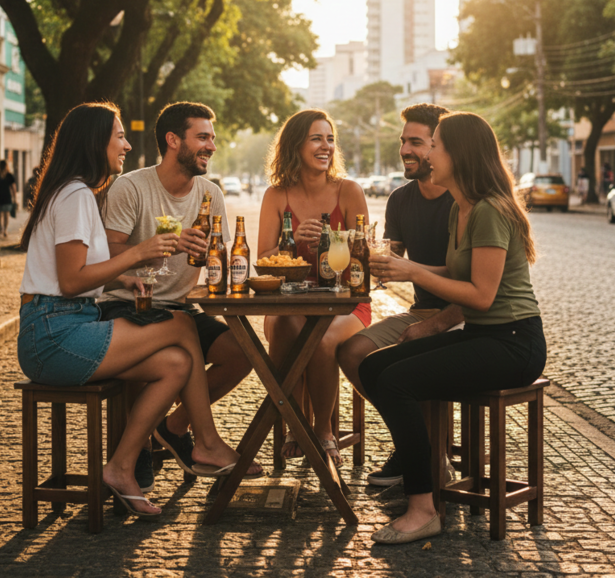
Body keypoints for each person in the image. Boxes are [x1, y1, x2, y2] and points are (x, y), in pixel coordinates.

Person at [18, 101, 251, 520]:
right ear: (95, 142)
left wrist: (124, 274)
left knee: (177, 362)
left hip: (68, 323)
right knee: (180, 325)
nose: (126, 145)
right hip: (53, 334)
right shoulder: (74, 195)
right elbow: (72, 282)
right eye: (119, 136)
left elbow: (79, 272)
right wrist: (141, 253)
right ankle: (207, 443)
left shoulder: (77, 193)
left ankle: (122, 466)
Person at [359, 112, 547, 545]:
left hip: (515, 343)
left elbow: (480, 294)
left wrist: (415, 273)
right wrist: (407, 270)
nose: (429, 155)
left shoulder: (489, 212)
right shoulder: (460, 210)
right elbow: (455, 270)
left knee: (398, 382)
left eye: (437, 146)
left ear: (459, 156)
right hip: (484, 336)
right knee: (372, 369)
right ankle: (423, 464)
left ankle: (423, 507)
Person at [100, 101, 260, 486]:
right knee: (175, 343)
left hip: (181, 309)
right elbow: (105, 253)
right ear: (173, 140)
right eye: (202, 137)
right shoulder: (131, 187)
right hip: (127, 306)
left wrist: (213, 258)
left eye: (212, 138)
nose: (212, 146)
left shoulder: (209, 194)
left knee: (243, 353)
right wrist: (159, 244)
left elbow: (220, 261)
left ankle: (172, 428)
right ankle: (143, 449)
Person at [337, 104, 464, 486]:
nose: (406, 150)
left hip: (464, 314)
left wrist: (410, 270)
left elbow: (473, 280)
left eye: (416, 142)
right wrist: (356, 254)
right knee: (352, 351)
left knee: (406, 363)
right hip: (421, 311)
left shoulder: (462, 200)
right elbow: (391, 258)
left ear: (440, 147)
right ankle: (414, 442)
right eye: (402, 141)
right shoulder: (400, 199)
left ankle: (422, 455)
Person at [257, 109, 370, 465]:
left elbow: (362, 258)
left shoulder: (348, 191)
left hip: (345, 304)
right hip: (289, 302)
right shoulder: (276, 196)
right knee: (286, 328)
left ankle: (323, 431)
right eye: (317, 138)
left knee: (322, 338)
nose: (326, 147)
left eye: (330, 139)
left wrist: (337, 240)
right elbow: (263, 258)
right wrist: (290, 246)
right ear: (295, 145)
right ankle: (295, 421)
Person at [0, 159, 17, 237]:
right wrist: (14, 198)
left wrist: (14, 198)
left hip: (6, 198)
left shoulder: (9, 175)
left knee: (6, 214)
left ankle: (4, 229)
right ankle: (1, 227)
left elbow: (13, 187)